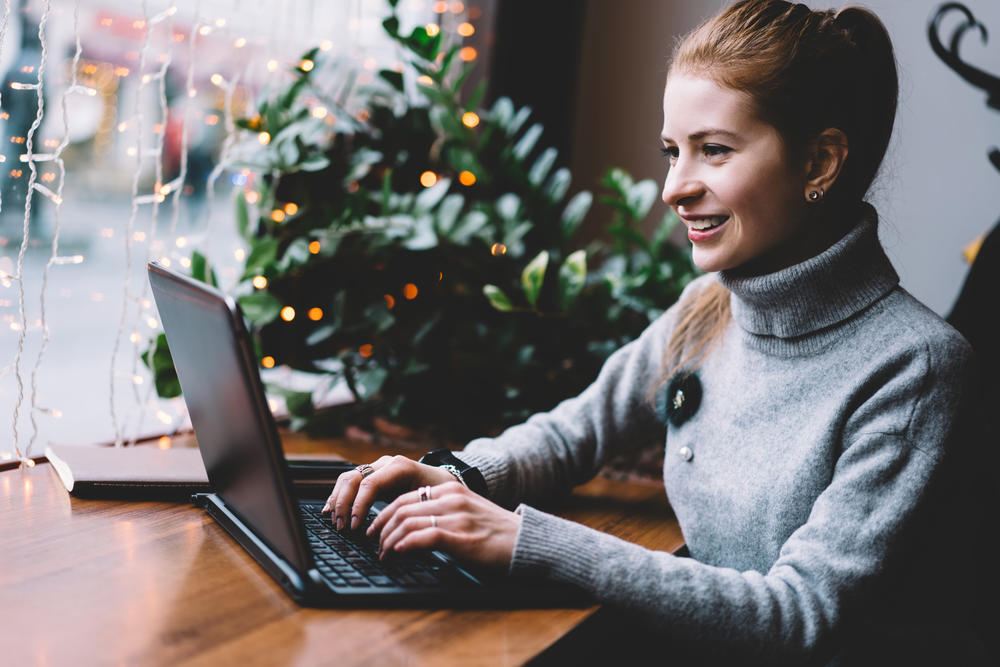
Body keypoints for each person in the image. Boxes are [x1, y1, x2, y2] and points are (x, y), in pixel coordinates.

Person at [323, 0, 990, 662]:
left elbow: (799, 616)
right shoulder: (708, 307)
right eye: (673, 151)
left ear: (819, 162)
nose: (674, 187)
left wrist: (531, 541)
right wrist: (459, 477)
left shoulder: (916, 366)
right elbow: (574, 432)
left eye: (714, 151)